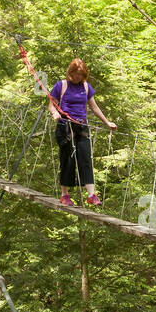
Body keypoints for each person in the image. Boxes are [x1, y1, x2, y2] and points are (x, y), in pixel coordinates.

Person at [49, 58, 115, 206]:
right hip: (65, 126)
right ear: (71, 72)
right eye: (76, 74)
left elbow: (94, 107)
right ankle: (64, 194)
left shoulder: (85, 87)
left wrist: (107, 122)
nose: (78, 77)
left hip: (81, 126)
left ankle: (91, 194)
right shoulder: (62, 85)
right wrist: (54, 113)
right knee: (68, 159)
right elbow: (51, 105)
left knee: (85, 158)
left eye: (81, 74)